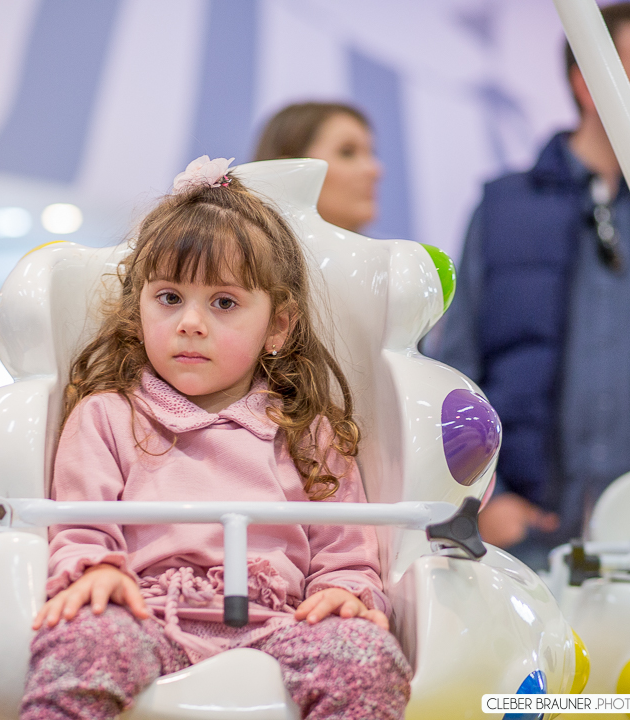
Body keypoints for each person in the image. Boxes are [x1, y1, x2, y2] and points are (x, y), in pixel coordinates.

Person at [21, 157, 411, 720]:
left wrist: (344, 594)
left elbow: (349, 553)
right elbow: (81, 528)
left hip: (282, 626)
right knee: (81, 641)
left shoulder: (308, 433)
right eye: (169, 298)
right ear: (138, 307)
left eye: (223, 303)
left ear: (278, 325)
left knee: (366, 656)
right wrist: (98, 571)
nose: (191, 323)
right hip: (147, 615)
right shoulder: (107, 417)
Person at [433, 2, 630, 569]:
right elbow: (456, 376)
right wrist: (480, 499)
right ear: (589, 84)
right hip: (529, 542)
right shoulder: (504, 208)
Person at [254, 102, 383, 233]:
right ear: (289, 169)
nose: (374, 170)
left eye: (371, 153)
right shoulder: (239, 253)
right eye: (347, 152)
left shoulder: (395, 252)